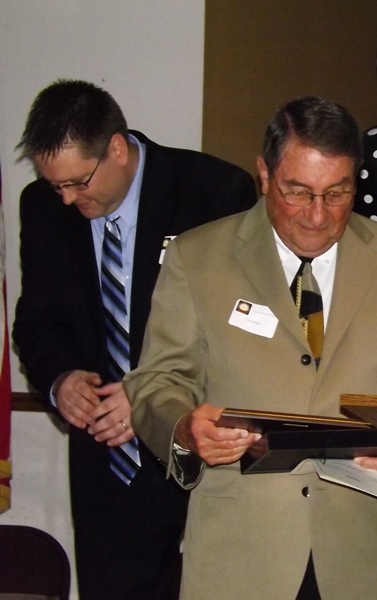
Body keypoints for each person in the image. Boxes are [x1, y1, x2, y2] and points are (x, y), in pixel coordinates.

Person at [124, 95, 377, 600]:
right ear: (264, 175)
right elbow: (157, 380)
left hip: (365, 558)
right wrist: (185, 430)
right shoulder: (197, 258)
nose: (317, 215)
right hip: (240, 556)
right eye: (298, 192)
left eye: (337, 193)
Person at [12, 79, 258, 600]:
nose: (68, 198)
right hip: (108, 463)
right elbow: (36, 322)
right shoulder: (42, 207)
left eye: (78, 182)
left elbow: (240, 330)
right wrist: (60, 381)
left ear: (117, 149)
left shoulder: (213, 192)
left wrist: (148, 395)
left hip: (203, 449)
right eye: (56, 186)